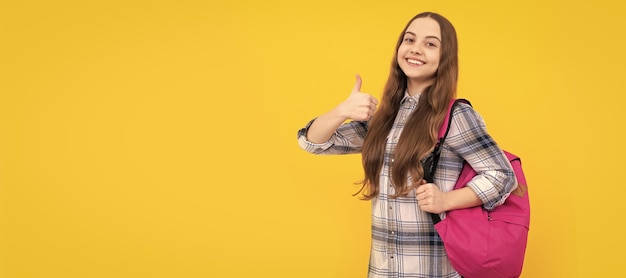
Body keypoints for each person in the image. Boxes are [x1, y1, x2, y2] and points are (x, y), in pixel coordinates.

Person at [296, 11, 517, 277]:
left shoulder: (455, 116)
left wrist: (445, 200)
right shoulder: (385, 117)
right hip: (382, 271)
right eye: (409, 40)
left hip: (432, 270)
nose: (416, 49)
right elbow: (313, 142)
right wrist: (341, 111)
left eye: (430, 43)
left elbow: (503, 176)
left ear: (445, 57)